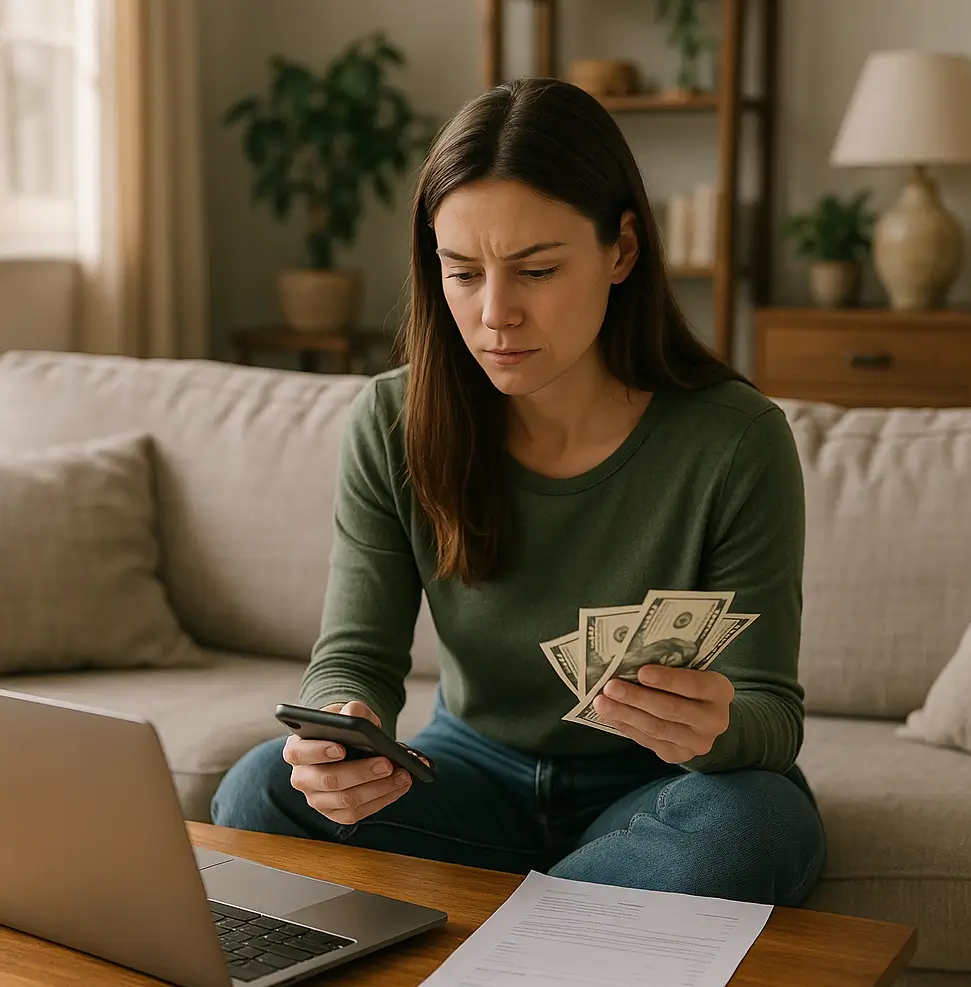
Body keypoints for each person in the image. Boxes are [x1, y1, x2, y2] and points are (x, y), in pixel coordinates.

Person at [212, 76, 826, 905]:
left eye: (535, 270)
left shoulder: (736, 439)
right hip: (468, 777)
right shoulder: (393, 419)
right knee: (260, 789)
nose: (495, 314)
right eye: (462, 273)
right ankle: (569, 930)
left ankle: (492, 931)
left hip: (653, 789)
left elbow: (771, 716)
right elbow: (353, 658)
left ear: (623, 250)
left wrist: (715, 727)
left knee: (760, 823)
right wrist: (343, 734)